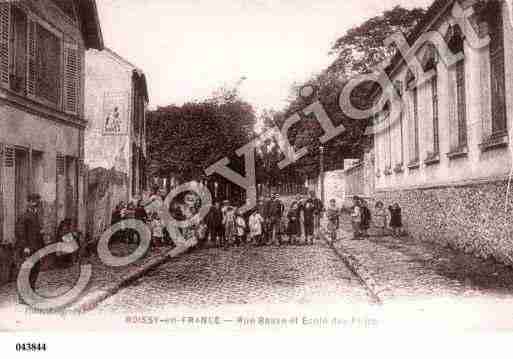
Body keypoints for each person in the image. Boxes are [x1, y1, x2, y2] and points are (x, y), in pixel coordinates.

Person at [14, 193, 44, 301]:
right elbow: (20, 232)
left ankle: (31, 294)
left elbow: (34, 232)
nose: (36, 204)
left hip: (36, 248)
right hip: (28, 249)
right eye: (33, 201)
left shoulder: (35, 216)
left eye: (37, 202)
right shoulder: (24, 216)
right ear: (29, 203)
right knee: (27, 272)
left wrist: (40, 233)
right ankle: (23, 297)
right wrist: (25, 246)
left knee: (35, 270)